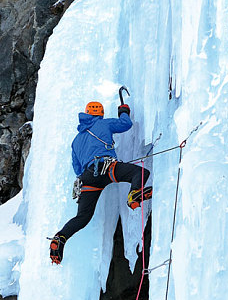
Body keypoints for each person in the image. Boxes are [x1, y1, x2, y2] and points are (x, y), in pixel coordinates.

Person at [49, 100, 152, 264]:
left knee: (82, 217)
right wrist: (123, 110)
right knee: (140, 172)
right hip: (106, 167)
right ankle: (134, 194)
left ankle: (60, 237)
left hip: (87, 179)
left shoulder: (76, 141)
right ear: (100, 114)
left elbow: (77, 168)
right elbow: (125, 124)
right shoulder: (104, 124)